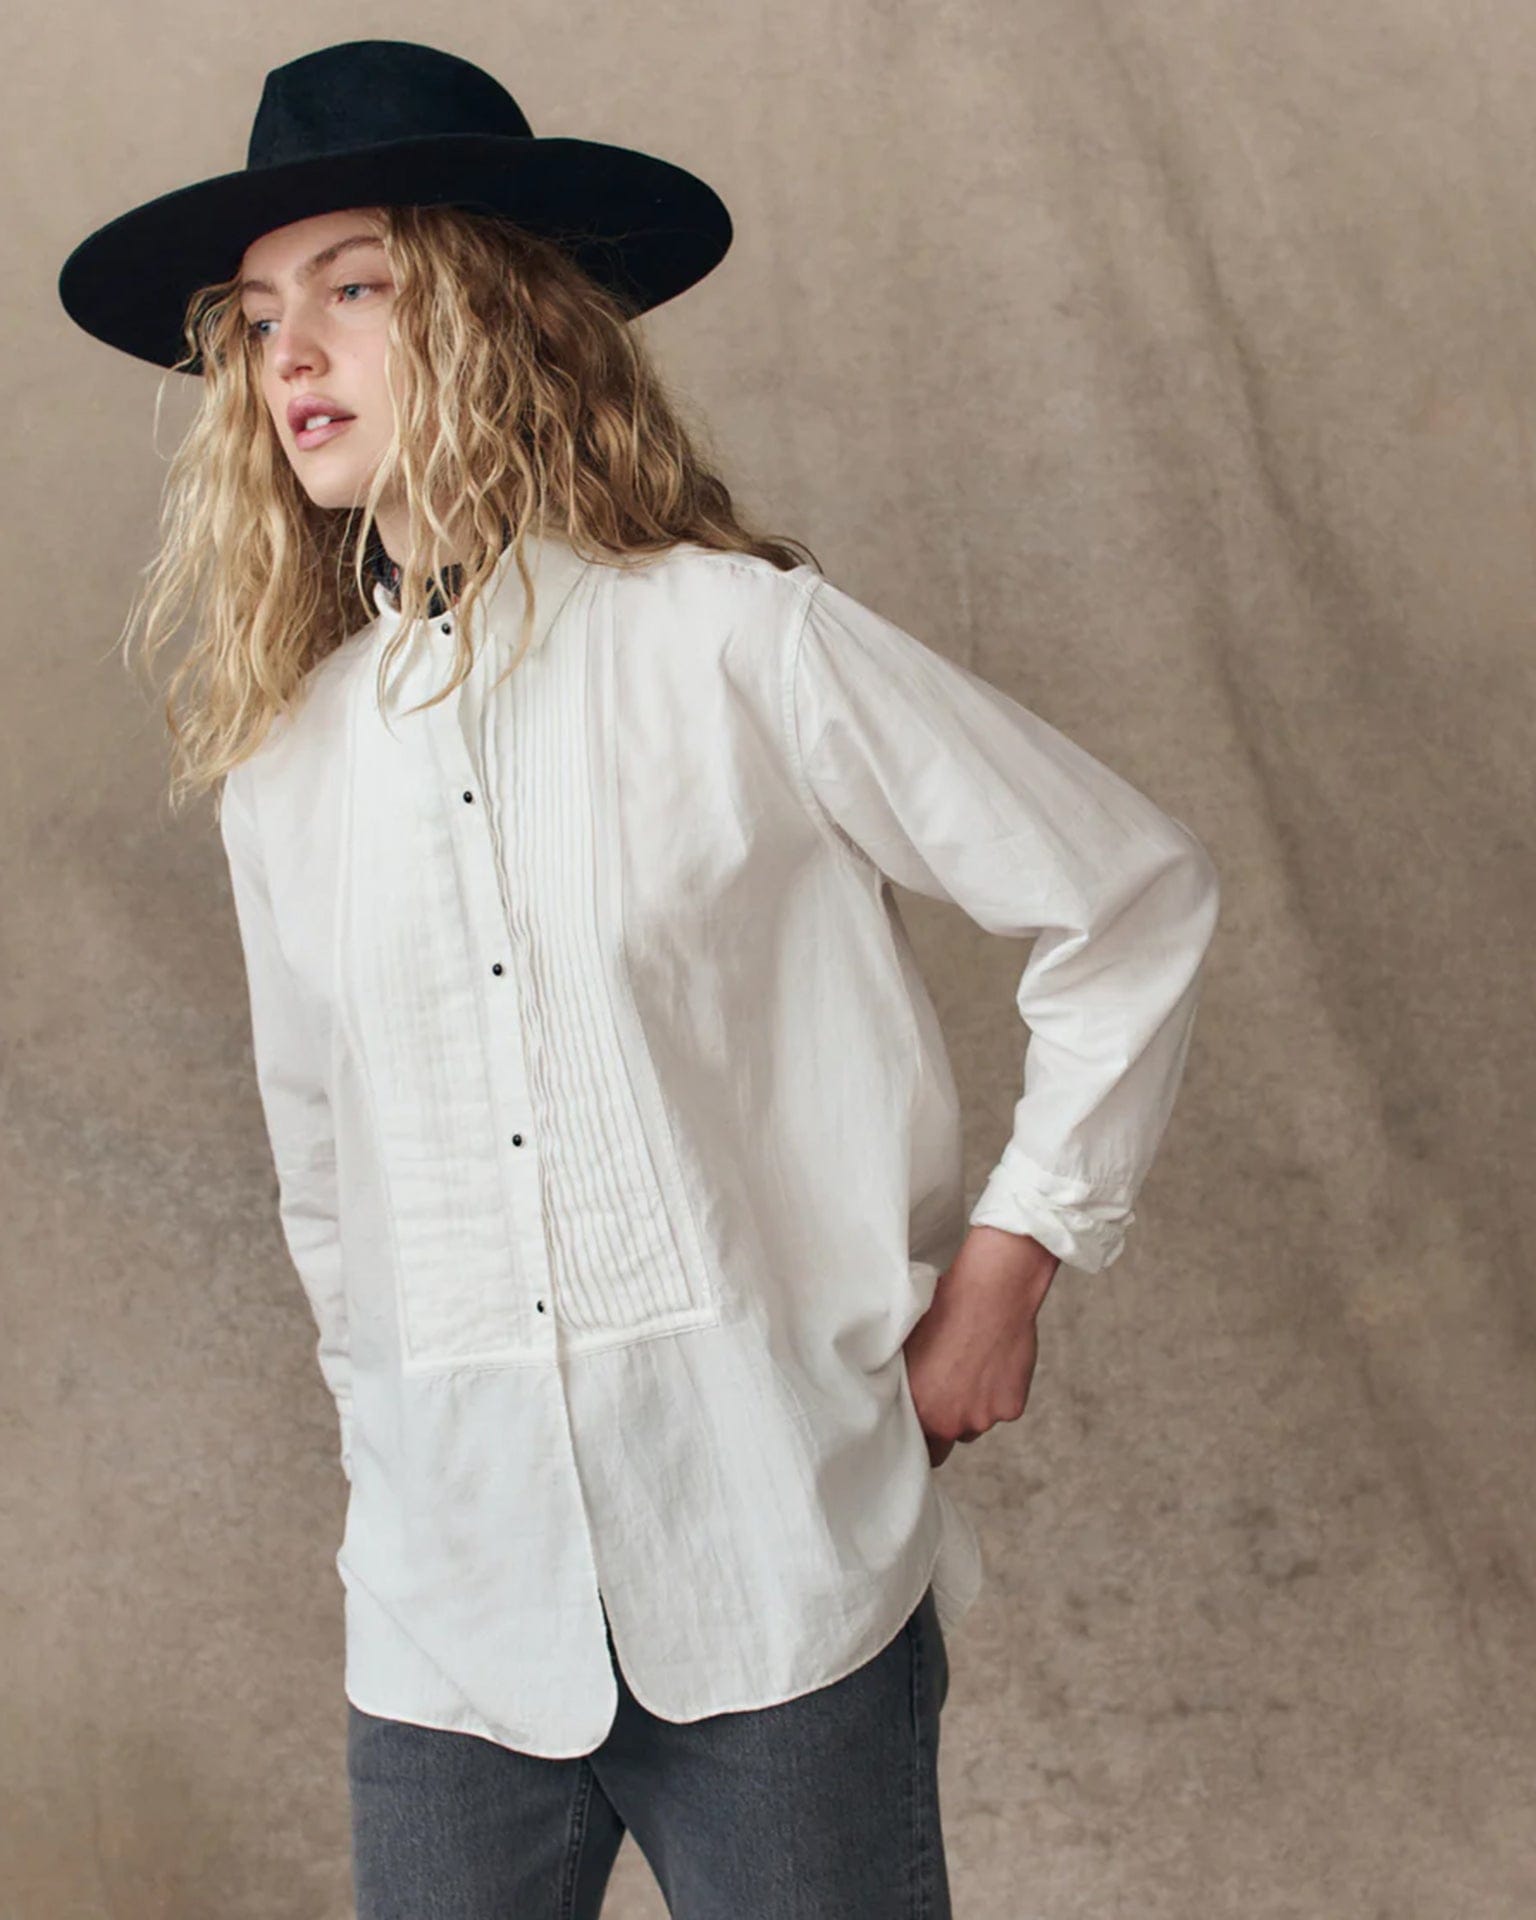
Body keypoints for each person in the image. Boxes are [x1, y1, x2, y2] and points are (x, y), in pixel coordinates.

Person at [56, 38, 1221, 1920]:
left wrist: (1013, 1266)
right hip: (446, 1621)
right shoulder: (293, 763)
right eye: (257, 318)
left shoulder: (737, 646)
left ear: (500, 312)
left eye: (356, 288)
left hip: (775, 1576)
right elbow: (324, 1179)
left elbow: (1128, 896)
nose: (289, 355)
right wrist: (402, 1458)